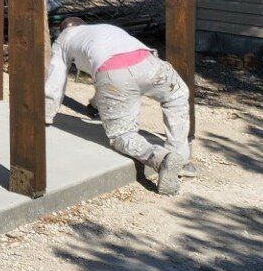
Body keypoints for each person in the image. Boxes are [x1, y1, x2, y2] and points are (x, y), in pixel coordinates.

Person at [44, 17, 192, 194]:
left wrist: (45, 115)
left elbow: (55, 79)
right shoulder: (104, 28)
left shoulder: (64, 39)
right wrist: (95, 104)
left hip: (113, 75)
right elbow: (111, 78)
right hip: (149, 62)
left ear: (63, 30)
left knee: (122, 135)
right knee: (177, 95)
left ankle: (162, 159)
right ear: (83, 25)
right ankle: (180, 157)